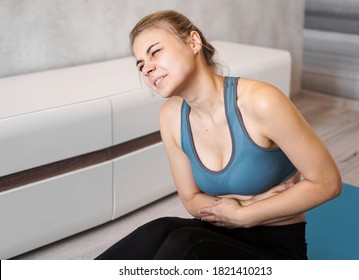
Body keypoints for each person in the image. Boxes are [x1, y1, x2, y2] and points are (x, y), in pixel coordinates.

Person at [95, 10, 341, 260]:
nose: (146, 68)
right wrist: (246, 204)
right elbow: (191, 199)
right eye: (140, 64)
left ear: (193, 42)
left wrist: (244, 214)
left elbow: (328, 183)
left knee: (186, 243)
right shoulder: (170, 116)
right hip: (219, 231)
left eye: (155, 52)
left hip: (275, 248)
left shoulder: (260, 101)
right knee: (158, 230)